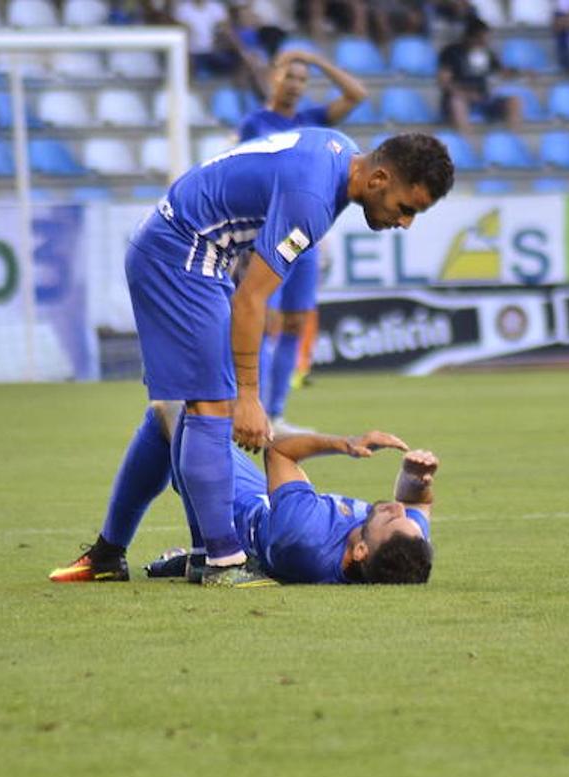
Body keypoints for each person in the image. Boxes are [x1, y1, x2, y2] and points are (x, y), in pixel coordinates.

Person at [49, 129, 454, 586]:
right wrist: (249, 396)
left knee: (174, 410)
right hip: (186, 254)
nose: (405, 223)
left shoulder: (337, 154)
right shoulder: (313, 200)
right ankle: (222, 562)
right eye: (407, 208)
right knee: (213, 408)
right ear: (380, 178)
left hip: (185, 249)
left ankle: (117, 553)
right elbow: (250, 300)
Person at [144, 404, 438, 585]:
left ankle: (201, 552)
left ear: (361, 552)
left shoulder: (305, 535)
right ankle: (187, 557)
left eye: (391, 519)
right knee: (181, 410)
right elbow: (416, 503)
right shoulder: (401, 542)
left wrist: (345, 444)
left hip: (236, 504)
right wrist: (417, 479)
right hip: (270, 500)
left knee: (174, 408)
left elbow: (278, 451)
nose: (396, 509)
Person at [238, 48, 369, 435]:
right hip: (267, 236)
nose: (295, 84)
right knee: (266, 320)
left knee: (295, 322)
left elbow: (357, 95)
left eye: (302, 79)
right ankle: (253, 407)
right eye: (290, 76)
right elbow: (249, 175)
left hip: (304, 239)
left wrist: (318, 60)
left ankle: (277, 413)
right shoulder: (254, 123)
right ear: (274, 77)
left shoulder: (311, 121)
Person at [437, 16, 521, 135]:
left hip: (484, 97)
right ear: (470, 37)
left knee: (514, 101)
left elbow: (502, 72)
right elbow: (444, 82)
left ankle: (512, 140)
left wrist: (520, 72)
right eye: (481, 38)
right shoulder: (451, 52)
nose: (484, 42)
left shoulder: (487, 53)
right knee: (457, 103)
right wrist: (466, 94)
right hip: (461, 96)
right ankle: (467, 142)